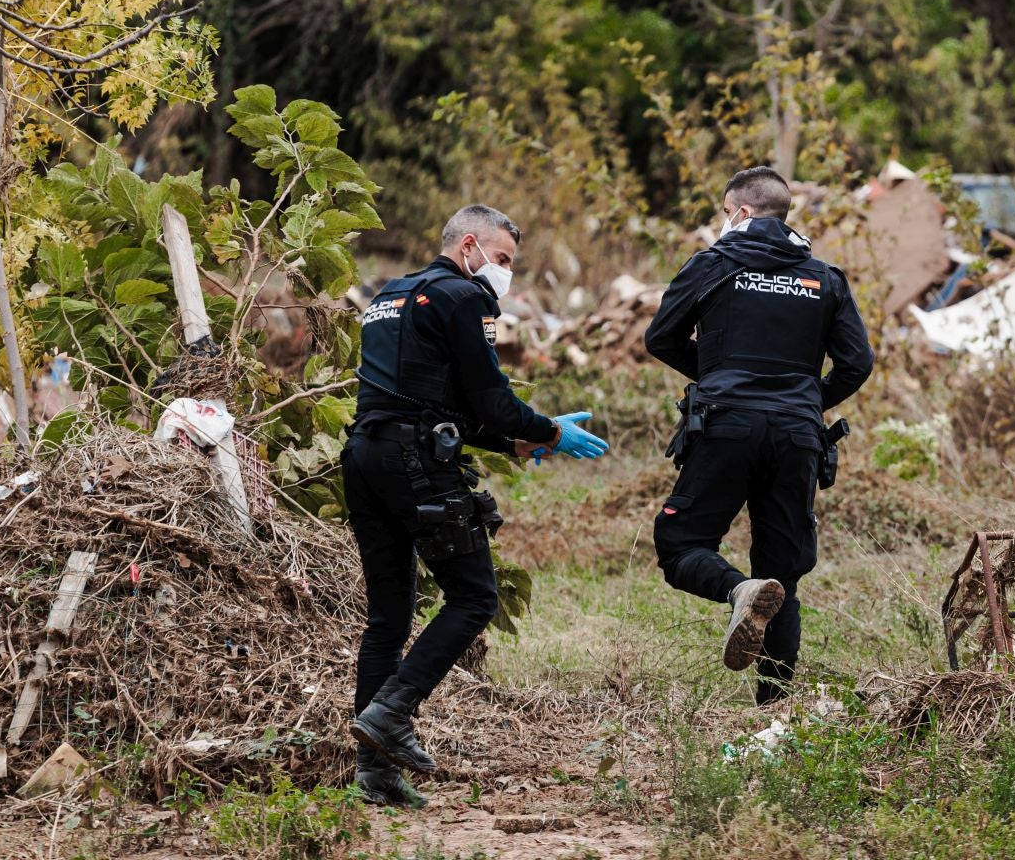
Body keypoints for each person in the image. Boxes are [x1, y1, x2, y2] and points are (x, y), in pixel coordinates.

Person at [343, 204, 608, 807]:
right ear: (470, 246)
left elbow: (443, 405)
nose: (506, 273)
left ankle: (375, 773)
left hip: (364, 457)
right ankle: (390, 715)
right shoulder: (464, 298)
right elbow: (491, 399)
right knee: (475, 596)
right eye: (504, 259)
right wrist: (547, 430)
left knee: (388, 616)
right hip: (414, 464)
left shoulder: (392, 294)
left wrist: (522, 437)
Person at [646, 166, 873, 705]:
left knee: (680, 545)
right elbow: (857, 363)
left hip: (726, 424)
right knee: (783, 573)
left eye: (725, 213)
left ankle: (736, 591)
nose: (723, 222)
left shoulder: (713, 265)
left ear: (741, 213)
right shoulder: (824, 277)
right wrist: (805, 400)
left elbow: (661, 337)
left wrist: (718, 376)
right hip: (797, 433)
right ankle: (772, 709)